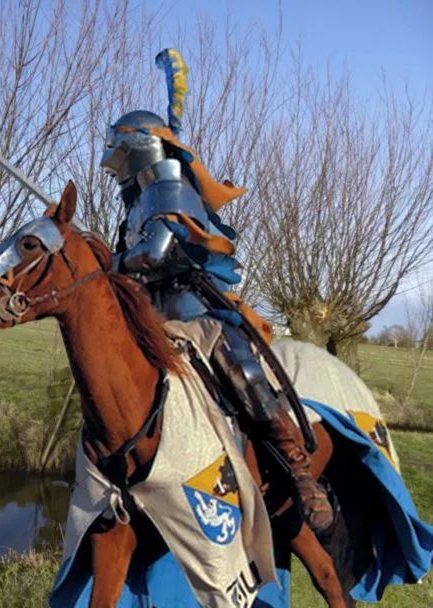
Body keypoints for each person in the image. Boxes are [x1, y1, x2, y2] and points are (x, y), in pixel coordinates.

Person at [100, 49, 333, 532]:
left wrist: (115, 262)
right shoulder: (137, 204)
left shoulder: (169, 191)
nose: (113, 160)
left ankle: (299, 472)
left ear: (140, 147)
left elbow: (156, 253)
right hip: (151, 307)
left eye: (119, 150)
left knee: (240, 368)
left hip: (193, 303)